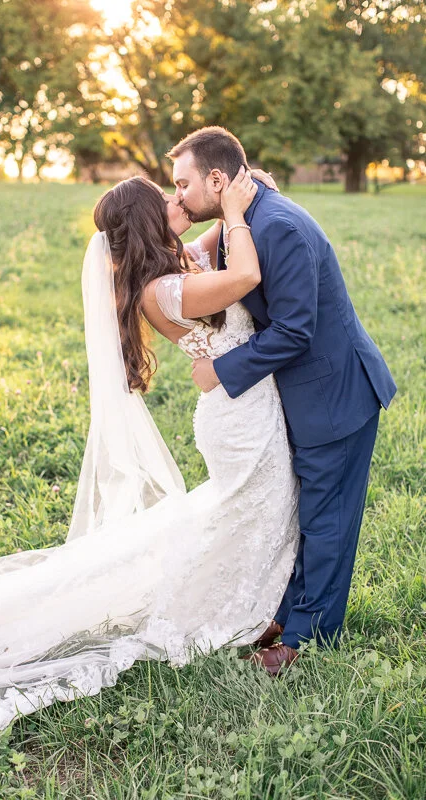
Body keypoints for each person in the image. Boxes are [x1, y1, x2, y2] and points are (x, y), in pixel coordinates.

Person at [0, 169, 299, 799]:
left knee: (236, 514)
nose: (176, 200)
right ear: (145, 221)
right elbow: (243, 278)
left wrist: (225, 208)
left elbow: (206, 256)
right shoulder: (165, 289)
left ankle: (246, 589)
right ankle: (232, 603)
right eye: (164, 199)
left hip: (240, 410)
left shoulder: (165, 272)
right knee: (254, 509)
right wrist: (241, 215)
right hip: (240, 420)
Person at [168, 126, 397, 674]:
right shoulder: (237, 220)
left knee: (327, 522)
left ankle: (307, 638)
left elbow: (294, 330)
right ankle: (291, 613)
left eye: (182, 184)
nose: (176, 195)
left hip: (334, 395)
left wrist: (218, 371)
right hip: (301, 394)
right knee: (306, 513)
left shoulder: (279, 227)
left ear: (217, 180)